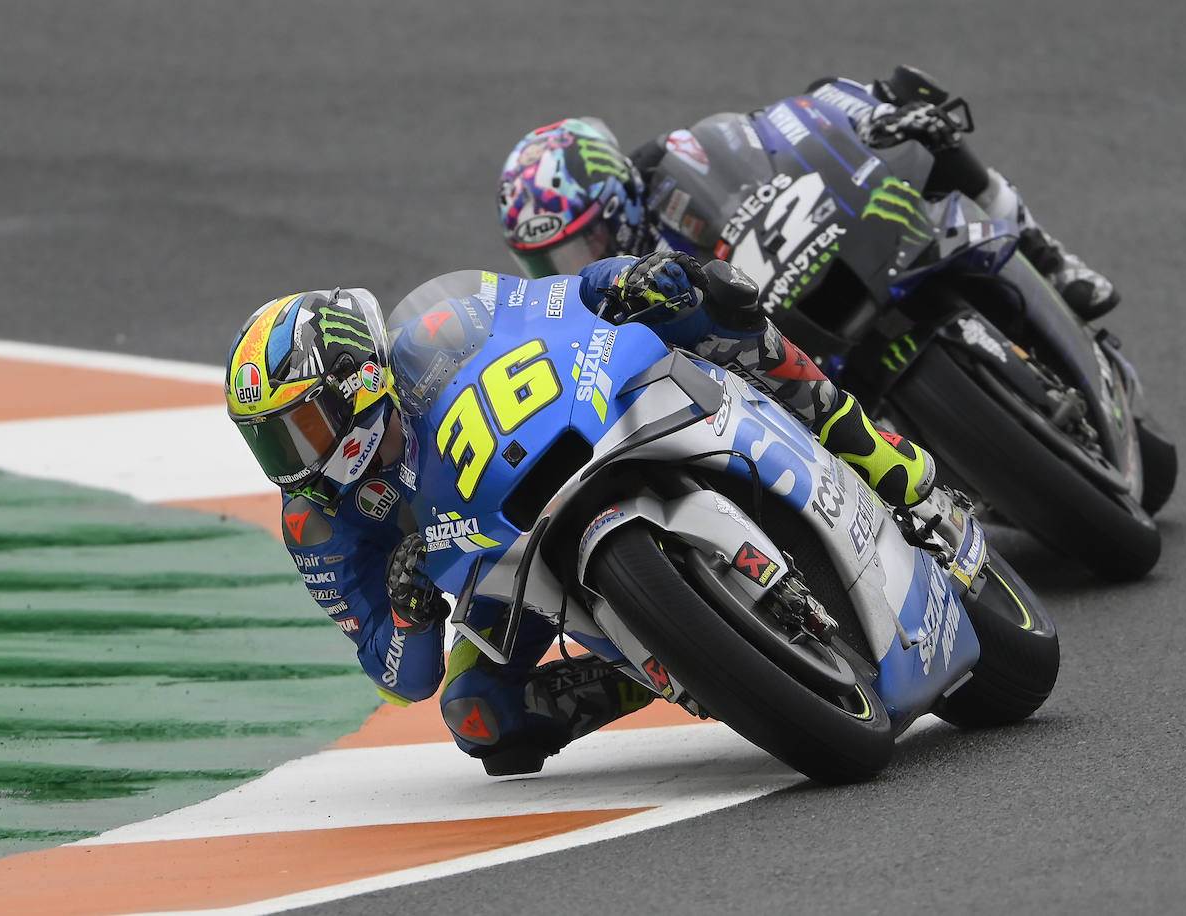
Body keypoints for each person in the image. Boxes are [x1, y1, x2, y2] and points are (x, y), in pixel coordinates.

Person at [225, 251, 949, 776]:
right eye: (270, 442)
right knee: (477, 714)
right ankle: (674, 663)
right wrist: (410, 610)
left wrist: (625, 278)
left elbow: (552, 300)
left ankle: (859, 440)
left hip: (578, 431)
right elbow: (400, 676)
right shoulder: (315, 522)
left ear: (355, 379)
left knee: (707, 296)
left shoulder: (437, 328)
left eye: (302, 427)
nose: (293, 460)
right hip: (494, 565)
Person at [497, 66, 1119, 321]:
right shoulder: (614, 299)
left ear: (616, 200)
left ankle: (1049, 256)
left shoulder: (676, 162)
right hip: (777, 351)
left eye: (583, 244)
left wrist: (870, 121)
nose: (574, 269)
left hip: (826, 252)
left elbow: (786, 125)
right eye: (551, 263)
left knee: (904, 105)